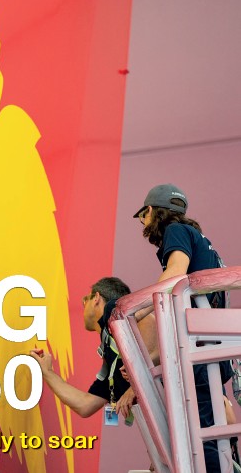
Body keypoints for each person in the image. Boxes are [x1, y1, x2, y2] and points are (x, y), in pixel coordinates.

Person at [133, 183, 234, 473]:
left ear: (150, 211)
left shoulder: (176, 231)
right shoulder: (198, 238)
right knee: (209, 430)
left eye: (142, 217)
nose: (143, 224)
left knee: (200, 438)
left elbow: (176, 272)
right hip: (209, 347)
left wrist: (138, 309)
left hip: (198, 347)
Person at [30, 277, 141, 421]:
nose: (84, 306)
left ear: (96, 298)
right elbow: (85, 405)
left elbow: (150, 321)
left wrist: (136, 387)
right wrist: (47, 372)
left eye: (85, 300)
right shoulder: (110, 352)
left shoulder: (113, 312)